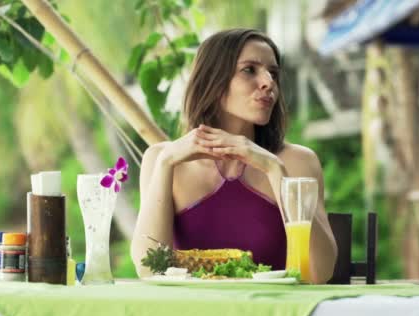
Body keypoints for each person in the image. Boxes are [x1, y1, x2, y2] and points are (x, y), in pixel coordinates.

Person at [131, 28, 337, 284]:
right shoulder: (162, 158)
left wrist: (274, 169)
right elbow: (149, 269)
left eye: (273, 73)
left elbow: (320, 273)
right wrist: (165, 164)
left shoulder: (297, 161)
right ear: (213, 81)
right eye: (249, 70)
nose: (268, 82)